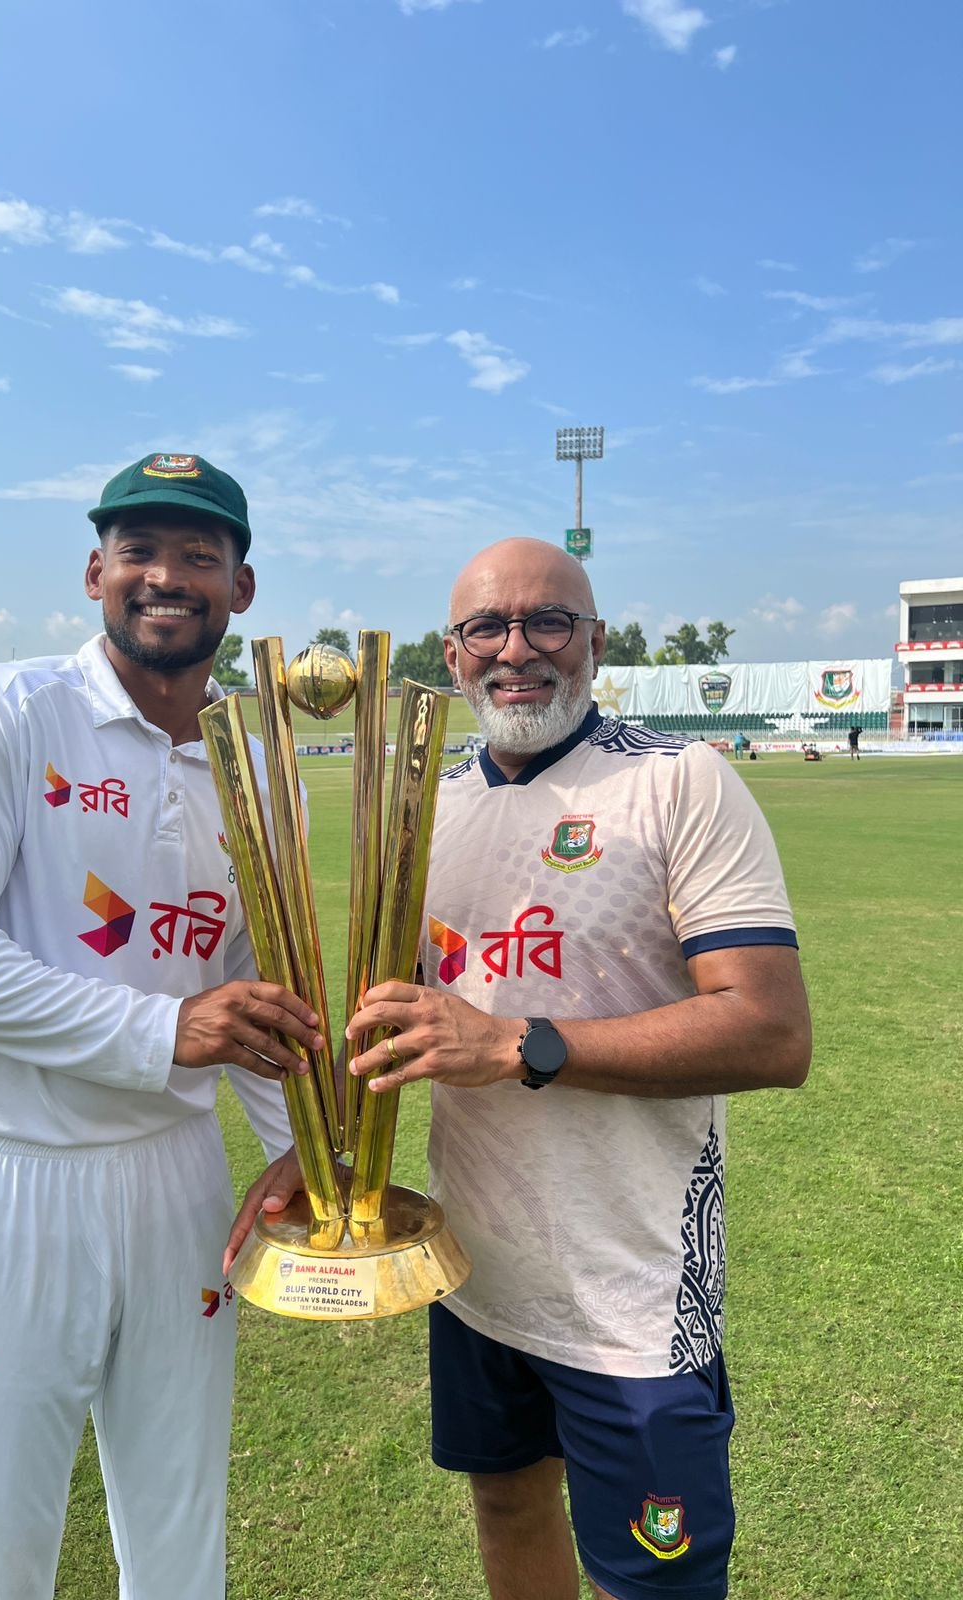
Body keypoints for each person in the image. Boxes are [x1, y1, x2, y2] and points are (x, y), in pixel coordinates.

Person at [229, 538, 812, 1600]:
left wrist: (515, 1044)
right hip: (474, 1271)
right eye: (486, 628)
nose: (517, 650)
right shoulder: (431, 807)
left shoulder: (678, 780)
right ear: (452, 653)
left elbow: (771, 1032)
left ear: (595, 641)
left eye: (548, 622)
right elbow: (395, 1020)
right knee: (506, 1507)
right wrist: (316, 1151)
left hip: (635, 1292)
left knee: (654, 1580)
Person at [0, 452, 321, 1600]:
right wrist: (162, 1031)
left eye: (198, 555)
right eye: (139, 551)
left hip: (177, 1181)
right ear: (95, 571)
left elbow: (252, 975)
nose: (166, 575)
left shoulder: (261, 768)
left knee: (179, 1531)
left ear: (241, 587)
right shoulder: (8, 708)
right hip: (8, 1173)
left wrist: (296, 1145)